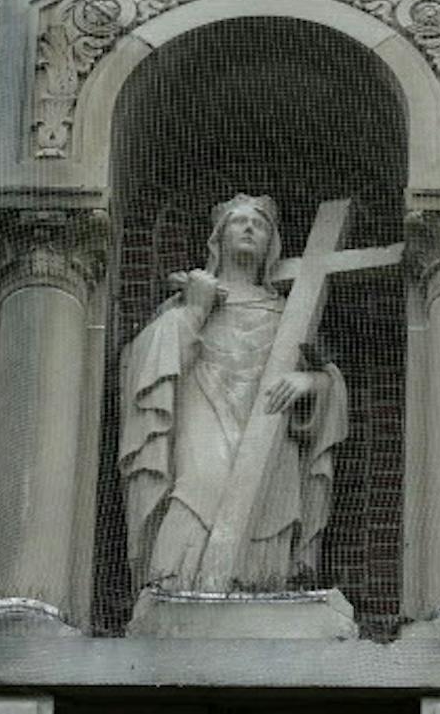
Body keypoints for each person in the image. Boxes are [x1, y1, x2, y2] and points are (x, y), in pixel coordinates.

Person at [117, 193, 347, 592]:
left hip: (271, 424)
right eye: (239, 222)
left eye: (260, 225)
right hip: (203, 407)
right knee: (199, 484)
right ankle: (176, 584)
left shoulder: (291, 314)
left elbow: (328, 378)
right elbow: (140, 367)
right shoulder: (190, 300)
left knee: (269, 505)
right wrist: (194, 311)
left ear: (272, 244)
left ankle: (262, 586)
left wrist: (310, 383)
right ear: (218, 238)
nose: (249, 228)